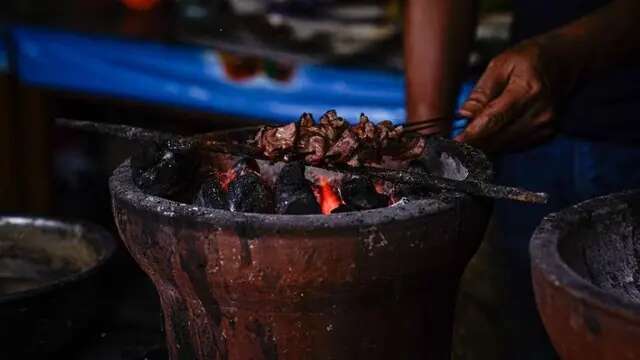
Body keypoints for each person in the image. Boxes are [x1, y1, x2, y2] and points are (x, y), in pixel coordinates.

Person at [405, 0, 640, 358]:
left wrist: (566, 56)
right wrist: (429, 149)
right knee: (528, 331)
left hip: (628, 140)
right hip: (525, 140)